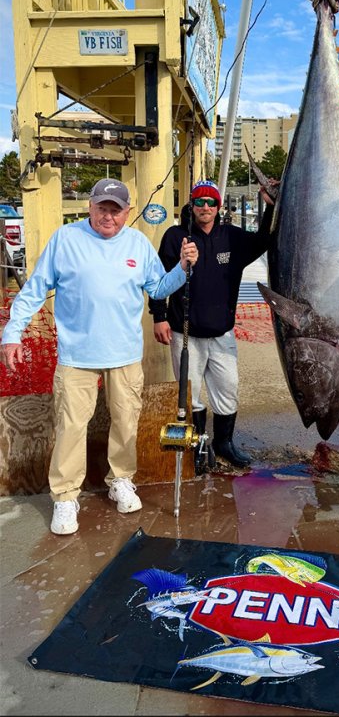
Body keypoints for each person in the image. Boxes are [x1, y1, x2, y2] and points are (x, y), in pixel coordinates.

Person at [0, 178, 199, 535]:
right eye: (102, 208)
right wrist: (12, 334)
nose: (109, 216)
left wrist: (182, 269)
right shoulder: (66, 239)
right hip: (76, 355)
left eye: (116, 210)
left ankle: (120, 479)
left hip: (124, 353)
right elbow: (34, 290)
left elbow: (157, 288)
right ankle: (64, 497)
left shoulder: (138, 243)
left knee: (126, 421)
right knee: (71, 427)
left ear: (127, 212)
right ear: (89, 206)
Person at [149, 180, 274, 468]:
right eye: (199, 202)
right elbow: (158, 281)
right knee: (190, 394)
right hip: (185, 333)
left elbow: (264, 240)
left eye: (210, 202)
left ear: (219, 207)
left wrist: (268, 206)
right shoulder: (174, 236)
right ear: (191, 205)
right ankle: (199, 444)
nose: (205, 207)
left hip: (222, 333)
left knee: (227, 390)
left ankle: (224, 442)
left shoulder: (231, 237)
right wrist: (159, 317)